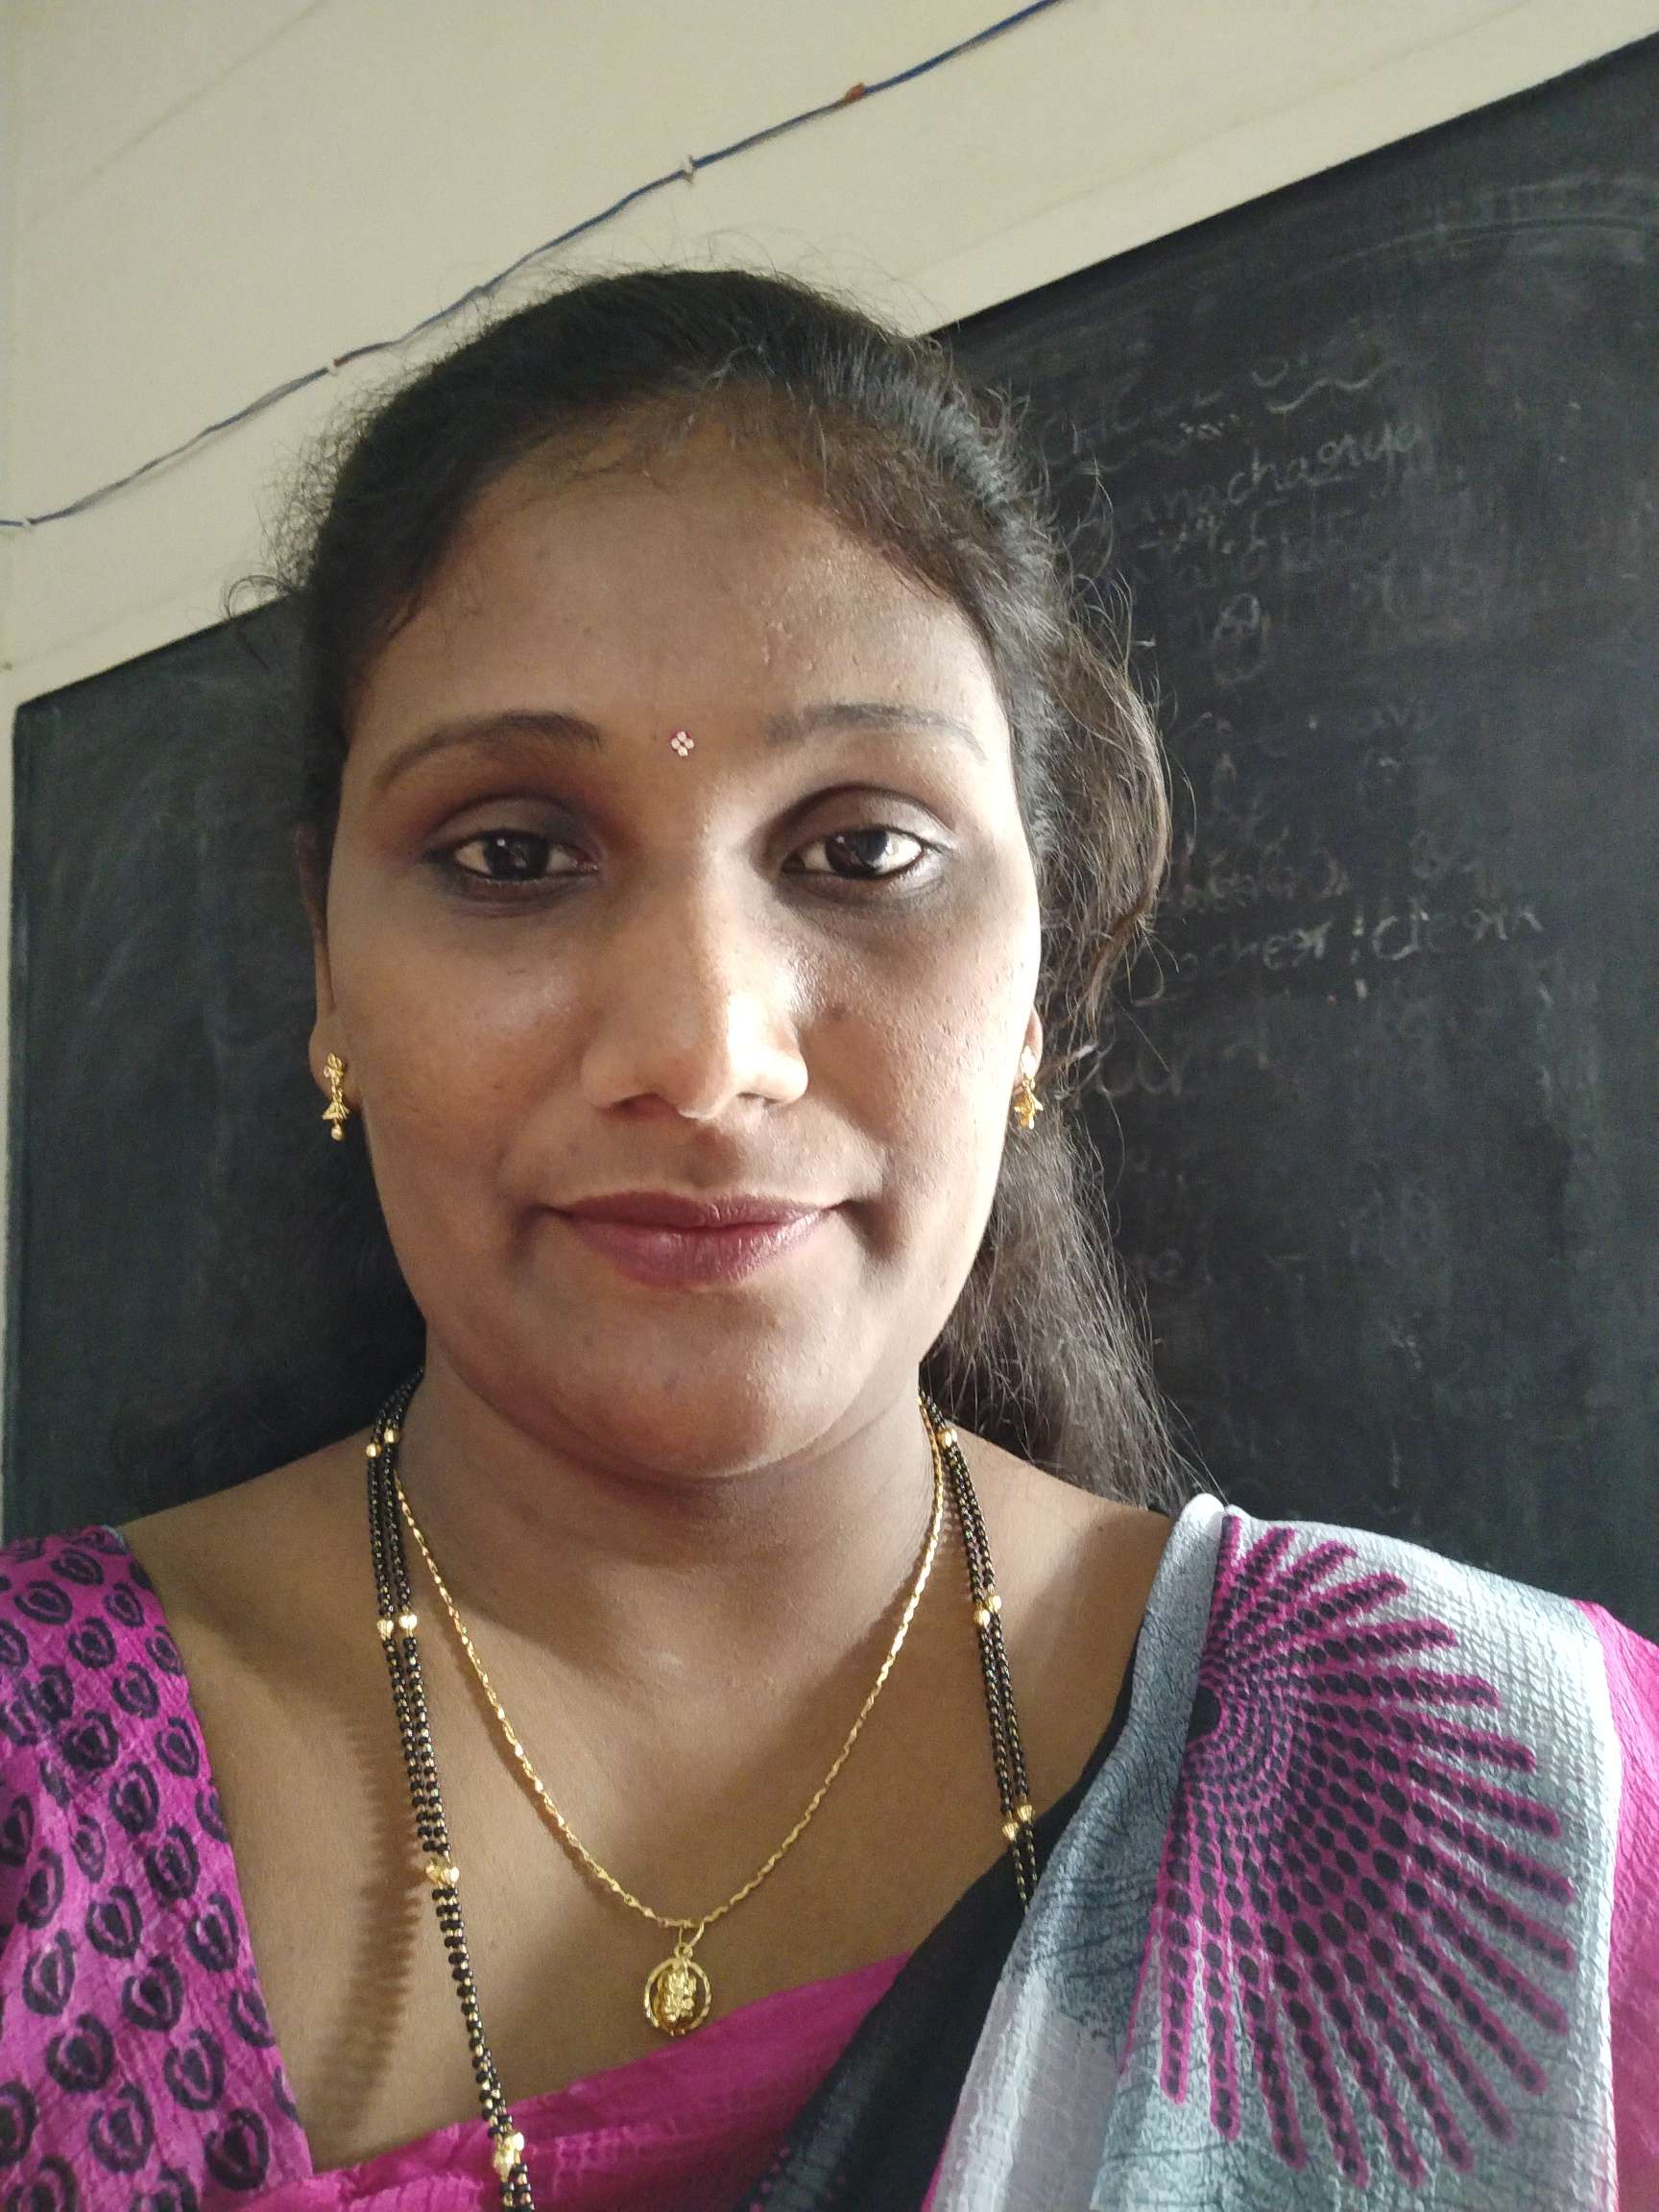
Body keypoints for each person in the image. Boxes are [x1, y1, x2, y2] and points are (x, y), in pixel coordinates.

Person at [0, 269, 1651, 2212]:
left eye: (862, 849)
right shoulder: (37, 1781)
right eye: (512, 854)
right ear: (329, 968)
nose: (707, 1054)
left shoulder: (1530, 1802)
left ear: (1036, 977)